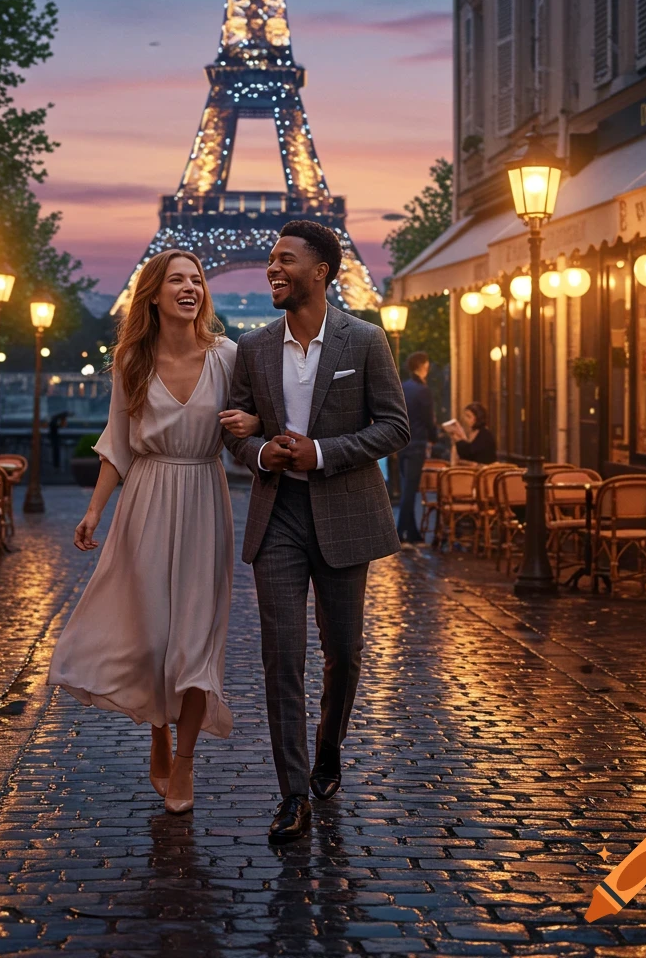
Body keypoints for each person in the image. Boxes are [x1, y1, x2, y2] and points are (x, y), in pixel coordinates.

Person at [47, 250, 261, 815]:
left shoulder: (229, 357)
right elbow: (117, 442)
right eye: (177, 280)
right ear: (154, 293)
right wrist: (95, 510)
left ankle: (185, 760)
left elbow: (258, 417)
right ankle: (158, 732)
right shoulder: (131, 362)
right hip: (145, 501)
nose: (189, 288)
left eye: (197, 279)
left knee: (194, 641)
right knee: (150, 639)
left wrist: (255, 423)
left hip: (202, 498)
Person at [223, 221, 410, 845]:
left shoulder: (365, 341)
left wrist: (322, 452)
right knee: (282, 659)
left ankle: (329, 746)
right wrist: (260, 454)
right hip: (277, 518)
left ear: (321, 272)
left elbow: (393, 427)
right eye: (270, 260)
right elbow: (235, 433)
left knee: (346, 653)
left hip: (343, 515)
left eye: (285, 260)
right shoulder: (253, 346)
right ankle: (293, 793)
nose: (272, 269)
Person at [397, 351, 437, 542]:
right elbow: (429, 420)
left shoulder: (403, 387)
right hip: (417, 444)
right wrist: (434, 438)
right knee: (410, 490)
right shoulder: (423, 390)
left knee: (407, 487)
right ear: (423, 366)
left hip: (402, 445)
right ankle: (399, 532)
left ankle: (412, 532)